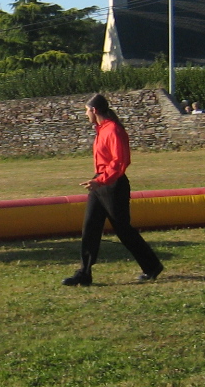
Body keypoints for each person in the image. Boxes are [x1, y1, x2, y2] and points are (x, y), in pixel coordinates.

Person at [63, 94, 164, 286]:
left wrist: (101, 181)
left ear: (94, 110)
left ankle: (152, 266)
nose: (85, 114)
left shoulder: (113, 130)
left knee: (123, 229)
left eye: (86, 110)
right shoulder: (102, 130)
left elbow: (120, 162)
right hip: (100, 182)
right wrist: (98, 181)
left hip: (112, 184)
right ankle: (84, 273)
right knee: (90, 227)